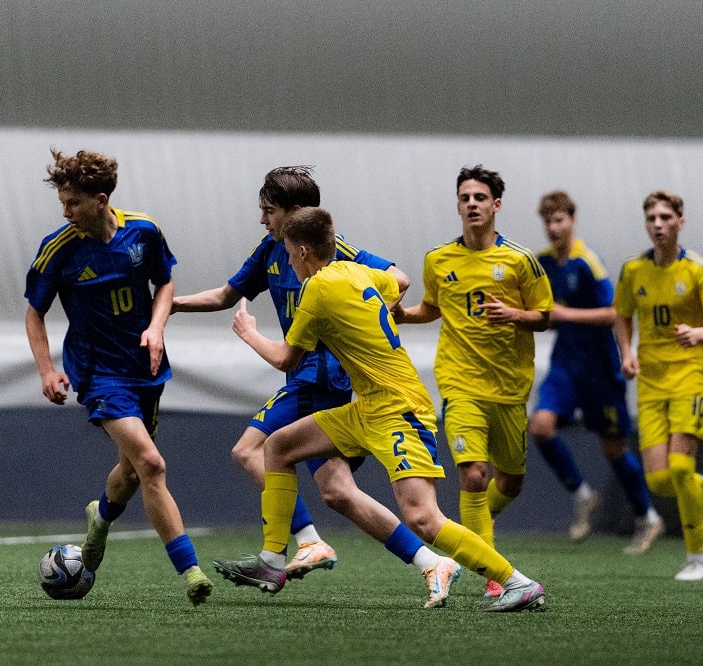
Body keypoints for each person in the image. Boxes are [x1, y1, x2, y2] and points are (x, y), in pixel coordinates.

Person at [214, 207, 546, 612]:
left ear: (302, 251)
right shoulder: (359, 272)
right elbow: (397, 284)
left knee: (423, 518)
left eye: (288, 253)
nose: (288, 262)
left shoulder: (316, 289)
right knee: (279, 447)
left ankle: (517, 582)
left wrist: (248, 333)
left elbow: (286, 358)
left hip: (399, 408)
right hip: (368, 406)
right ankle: (271, 560)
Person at [173, 166, 459, 605]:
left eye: (269, 211)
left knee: (249, 450)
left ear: (294, 213)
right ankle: (429, 561)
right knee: (337, 492)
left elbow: (400, 280)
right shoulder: (270, 250)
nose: (262, 219)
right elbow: (227, 295)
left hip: (321, 377)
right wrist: (171, 305)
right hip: (308, 378)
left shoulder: (335, 251)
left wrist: (357, 326)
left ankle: (300, 543)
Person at [24, 148, 212, 606]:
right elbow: (34, 313)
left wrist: (156, 327)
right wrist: (47, 370)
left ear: (101, 200)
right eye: (62, 203)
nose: (65, 212)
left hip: (145, 370)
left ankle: (100, 521)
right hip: (98, 374)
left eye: (73, 203)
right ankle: (191, 572)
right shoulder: (58, 249)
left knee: (129, 472)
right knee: (151, 463)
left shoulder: (143, 232)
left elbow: (165, 282)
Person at [393, 165, 553, 598]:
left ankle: (482, 522)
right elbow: (432, 307)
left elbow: (544, 315)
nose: (472, 204)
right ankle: (495, 576)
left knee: (510, 482)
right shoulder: (439, 259)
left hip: (509, 387)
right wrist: (404, 315)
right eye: (465, 198)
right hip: (460, 383)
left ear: (496, 205)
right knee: (474, 475)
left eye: (480, 197)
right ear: (458, 205)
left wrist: (513, 314)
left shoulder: (520, 260)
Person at [612, 189, 703, 581]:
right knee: (659, 481)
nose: (658, 225)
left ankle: (697, 559)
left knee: (680, 468)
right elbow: (621, 314)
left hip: (690, 374)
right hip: (651, 380)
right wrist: (626, 353)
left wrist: (699, 334)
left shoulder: (696, 269)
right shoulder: (633, 270)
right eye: (652, 219)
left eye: (666, 218)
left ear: (680, 222)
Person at [530, 190, 663, 553]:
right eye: (548, 221)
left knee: (613, 449)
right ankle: (582, 495)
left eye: (559, 220)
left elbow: (613, 313)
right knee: (540, 426)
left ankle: (648, 516)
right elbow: (548, 313)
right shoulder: (542, 262)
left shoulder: (588, 261)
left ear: (572, 221)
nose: (553, 228)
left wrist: (564, 315)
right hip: (565, 363)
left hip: (601, 369)